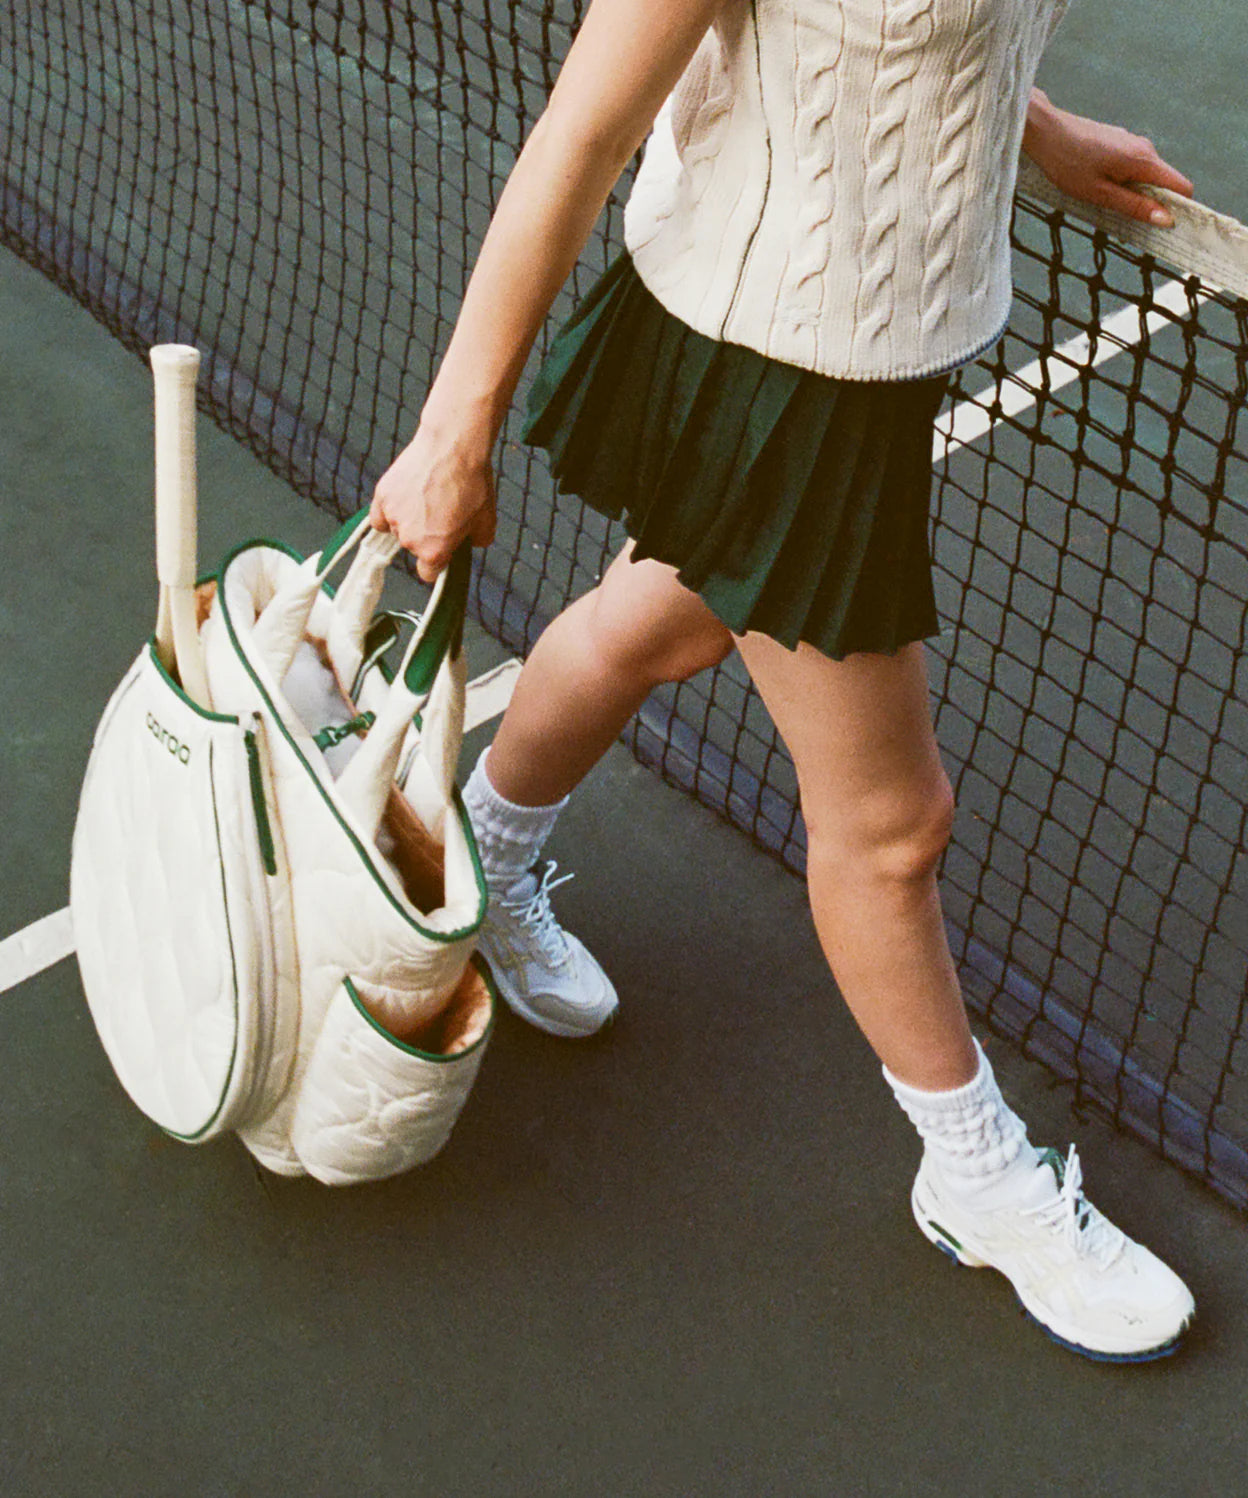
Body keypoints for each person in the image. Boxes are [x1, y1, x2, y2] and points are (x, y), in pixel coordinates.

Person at [370, 0, 1198, 1361]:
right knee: (891, 825)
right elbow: (583, 131)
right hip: (770, 370)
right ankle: (975, 1176)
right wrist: (451, 439)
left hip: (868, 349)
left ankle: (482, 853)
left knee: (659, 621)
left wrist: (1038, 134)